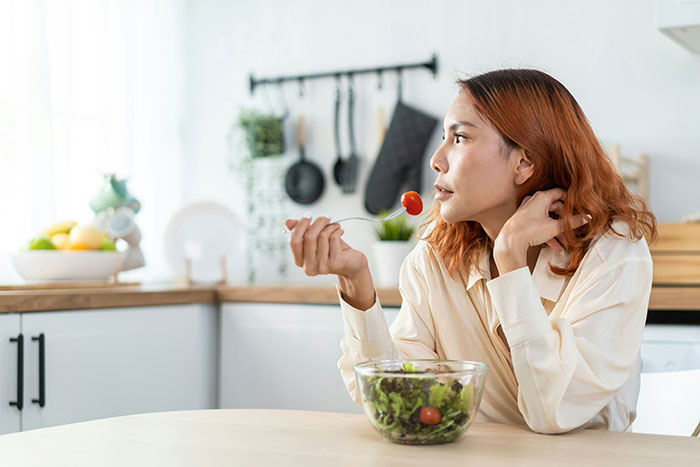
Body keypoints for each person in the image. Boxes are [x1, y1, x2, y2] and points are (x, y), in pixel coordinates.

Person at [285, 69, 656, 434]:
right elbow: (398, 400)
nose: (436, 159)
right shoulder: (435, 259)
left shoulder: (614, 253)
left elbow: (552, 411)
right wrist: (357, 284)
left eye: (459, 138)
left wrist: (510, 259)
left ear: (524, 162)